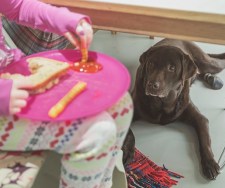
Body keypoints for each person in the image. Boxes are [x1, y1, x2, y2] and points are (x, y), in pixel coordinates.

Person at [0, 0, 133, 188]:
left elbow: (17, 5)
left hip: (13, 80)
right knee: (96, 133)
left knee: (121, 106)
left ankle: (102, 183)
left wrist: (67, 20)